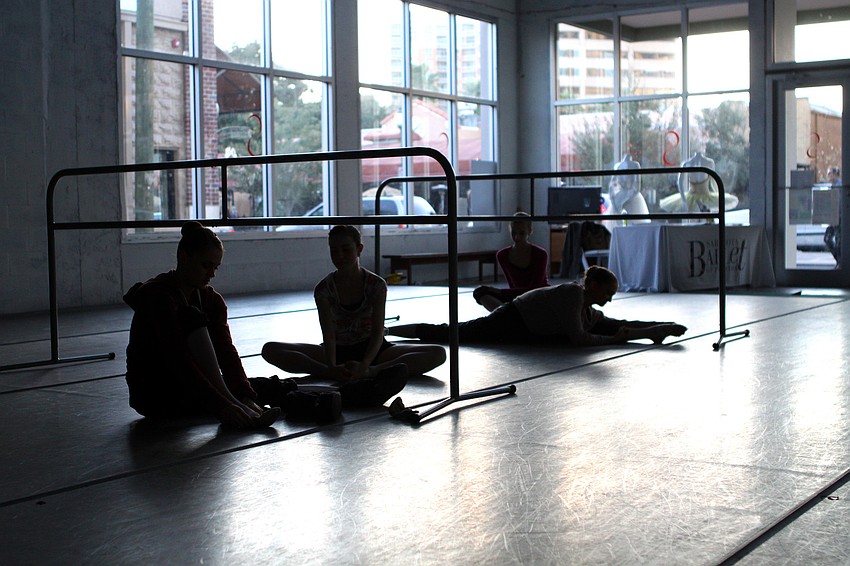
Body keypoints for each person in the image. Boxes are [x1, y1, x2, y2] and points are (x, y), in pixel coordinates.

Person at [262, 225, 447, 405]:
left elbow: (377, 332)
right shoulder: (324, 289)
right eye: (334, 251)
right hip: (336, 350)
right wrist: (331, 367)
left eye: (346, 249)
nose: (340, 256)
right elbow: (328, 334)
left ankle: (373, 371)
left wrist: (367, 366)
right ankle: (328, 370)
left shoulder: (376, 285)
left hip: (374, 350)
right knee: (269, 349)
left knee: (438, 353)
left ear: (359, 249)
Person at [124, 221, 281, 429]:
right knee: (192, 318)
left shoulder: (212, 300)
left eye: (216, 267)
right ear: (184, 257)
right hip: (155, 393)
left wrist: (245, 395)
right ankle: (238, 405)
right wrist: (222, 406)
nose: (212, 274)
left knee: (265, 387)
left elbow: (226, 352)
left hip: (187, 386)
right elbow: (178, 360)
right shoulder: (159, 298)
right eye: (206, 266)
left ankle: (259, 404)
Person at [388, 265, 687, 347]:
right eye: (608, 292)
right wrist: (614, 340)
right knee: (453, 332)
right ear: (593, 286)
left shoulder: (587, 307)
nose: (610, 298)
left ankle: (655, 330)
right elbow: (578, 339)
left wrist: (639, 331)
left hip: (529, 324)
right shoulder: (573, 295)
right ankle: (390, 330)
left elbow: (612, 326)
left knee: (611, 323)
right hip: (512, 318)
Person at [473, 212, 550, 312]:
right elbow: (512, 286)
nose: (517, 237)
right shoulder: (502, 255)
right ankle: (505, 314)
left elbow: (534, 289)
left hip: (538, 298)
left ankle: (505, 314)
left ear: (529, 231)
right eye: (513, 233)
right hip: (518, 297)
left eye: (521, 233)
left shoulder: (540, 254)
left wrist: (497, 291)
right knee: (479, 292)